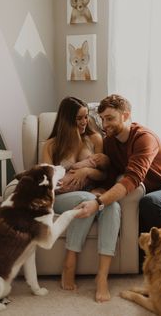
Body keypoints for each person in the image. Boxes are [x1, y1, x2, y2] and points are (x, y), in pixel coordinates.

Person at [76, 94, 161, 268]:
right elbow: (111, 177)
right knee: (143, 204)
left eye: (110, 118)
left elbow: (132, 179)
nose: (104, 125)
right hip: (143, 197)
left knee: (149, 203)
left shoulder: (144, 138)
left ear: (126, 115)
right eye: (102, 119)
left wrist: (97, 203)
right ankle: (146, 267)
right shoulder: (110, 142)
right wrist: (95, 193)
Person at [42, 96, 120, 302]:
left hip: (91, 192)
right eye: (79, 118)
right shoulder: (51, 145)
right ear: (66, 120)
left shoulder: (94, 139)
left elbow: (104, 175)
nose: (85, 122)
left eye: (86, 117)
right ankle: (70, 260)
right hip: (61, 196)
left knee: (112, 205)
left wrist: (86, 171)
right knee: (88, 199)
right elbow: (46, 179)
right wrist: (67, 175)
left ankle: (102, 276)